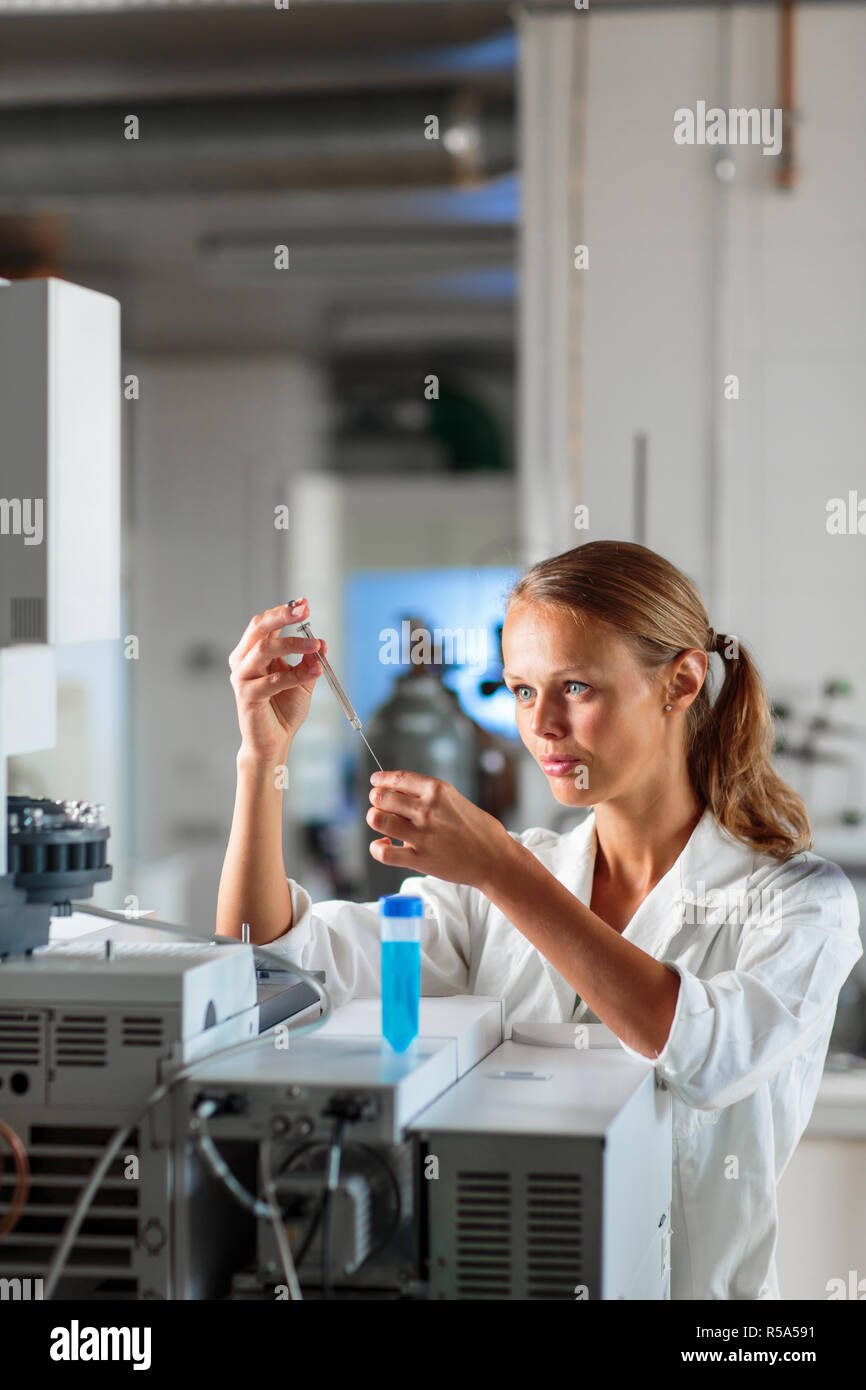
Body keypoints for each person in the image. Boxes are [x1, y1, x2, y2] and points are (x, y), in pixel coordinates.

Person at [216, 540, 862, 1301]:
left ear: (680, 682)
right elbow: (267, 975)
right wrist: (262, 762)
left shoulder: (800, 901)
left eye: (576, 687)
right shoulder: (507, 882)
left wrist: (499, 867)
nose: (543, 725)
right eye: (522, 692)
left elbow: (703, 1054)